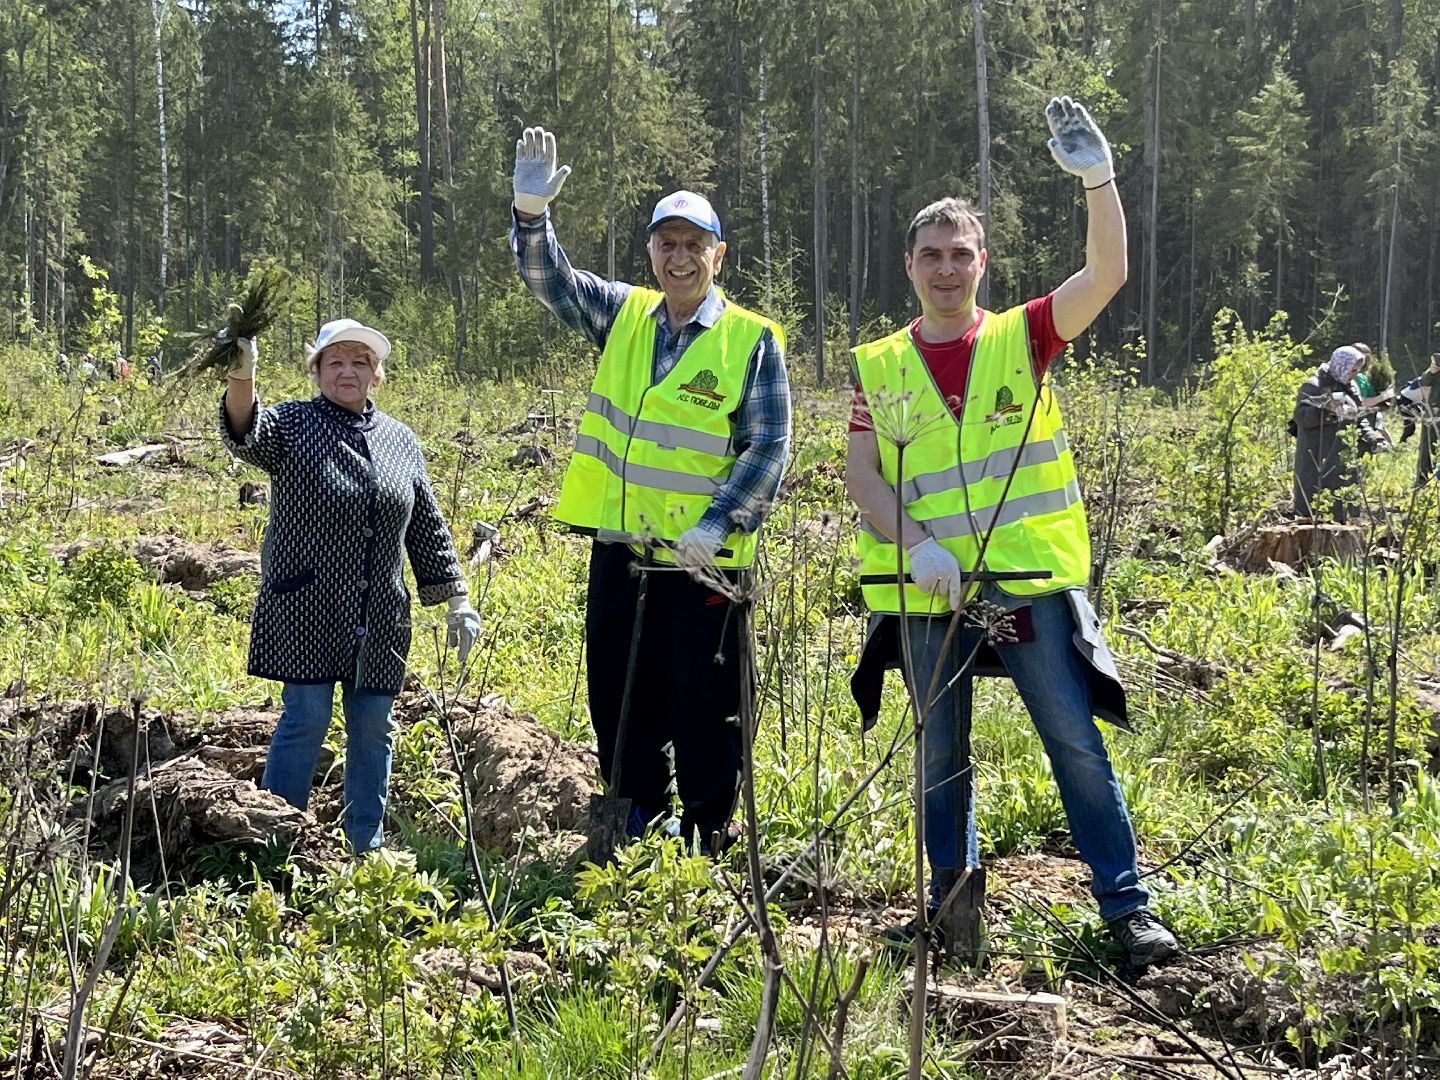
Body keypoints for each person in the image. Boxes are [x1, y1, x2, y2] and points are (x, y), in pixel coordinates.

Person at [844, 96, 1180, 967]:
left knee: (1072, 738)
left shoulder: (1024, 336)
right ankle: (952, 912)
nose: (946, 270)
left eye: (961, 255)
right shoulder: (878, 365)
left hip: (1028, 587)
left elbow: (1104, 276)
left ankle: (1126, 908)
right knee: (940, 752)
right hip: (925, 593)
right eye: (931, 256)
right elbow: (861, 474)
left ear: (981, 264)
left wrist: (1098, 181)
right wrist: (917, 544)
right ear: (909, 267)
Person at [510, 125, 791, 855]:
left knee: (708, 705)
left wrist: (720, 525)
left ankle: (706, 836)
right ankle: (635, 824)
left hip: (703, 561)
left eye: (694, 244)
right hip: (623, 551)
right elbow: (554, 285)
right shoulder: (625, 313)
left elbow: (769, 445)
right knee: (620, 697)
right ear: (650, 252)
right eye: (666, 242)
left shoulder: (750, 338)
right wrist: (531, 216)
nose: (679, 256)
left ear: (717, 255)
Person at [219, 318, 481, 853]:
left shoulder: (399, 440)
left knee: (373, 725)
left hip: (380, 611)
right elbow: (245, 433)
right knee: (306, 718)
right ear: (317, 371)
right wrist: (241, 379)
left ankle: (367, 844)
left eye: (359, 362)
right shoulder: (292, 424)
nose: (347, 371)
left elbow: (426, 523)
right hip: (306, 604)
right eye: (335, 361)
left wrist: (457, 597)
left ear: (376, 375)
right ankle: (278, 839)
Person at [1292, 345, 1382, 521]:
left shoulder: (1350, 386)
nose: (1354, 374)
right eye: (1352, 370)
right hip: (1317, 455)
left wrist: (1372, 435)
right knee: (1313, 507)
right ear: (1342, 365)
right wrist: (1328, 411)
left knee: (1343, 504)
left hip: (1342, 457)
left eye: (1357, 370)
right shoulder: (1313, 386)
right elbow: (1302, 417)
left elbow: (1358, 414)